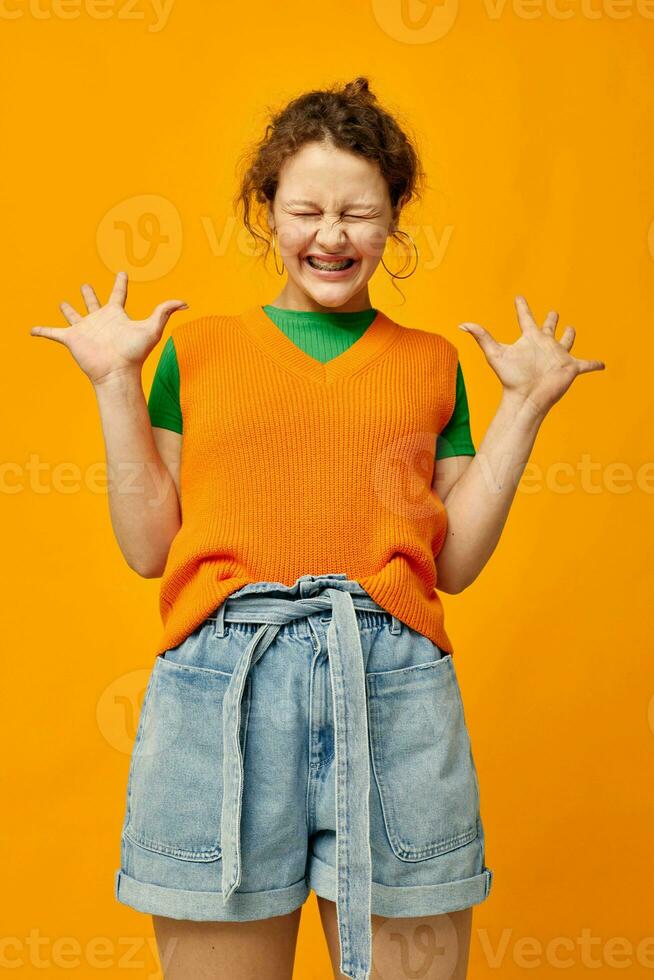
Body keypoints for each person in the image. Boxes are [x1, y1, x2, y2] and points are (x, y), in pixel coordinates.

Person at [30, 77, 605, 980]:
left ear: (392, 221)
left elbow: (451, 564)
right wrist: (114, 386)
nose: (331, 236)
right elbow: (149, 548)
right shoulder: (197, 352)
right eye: (306, 209)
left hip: (393, 691)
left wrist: (525, 406)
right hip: (222, 688)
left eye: (358, 213)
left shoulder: (430, 364)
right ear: (267, 213)